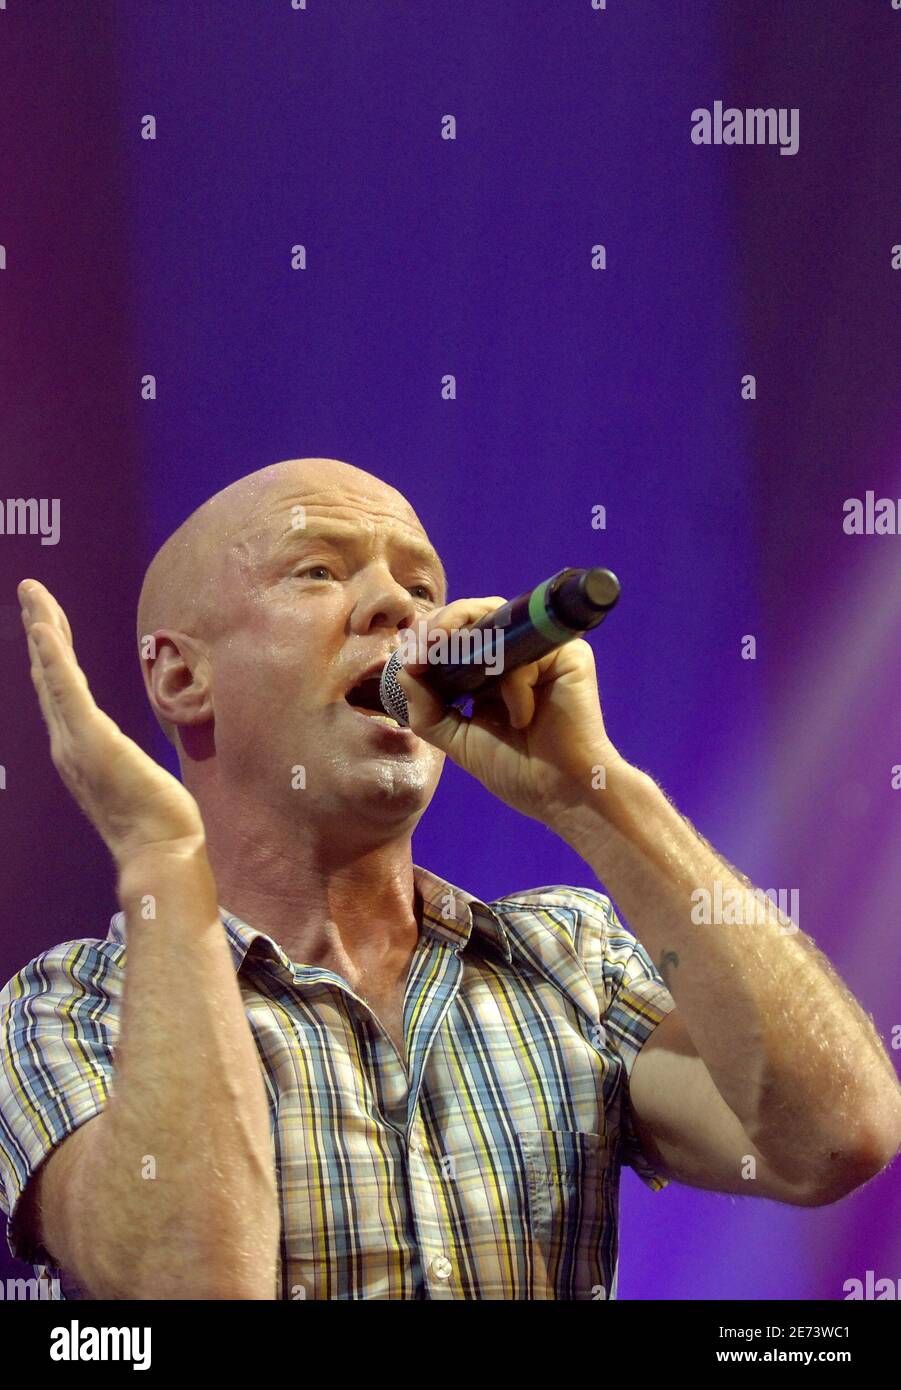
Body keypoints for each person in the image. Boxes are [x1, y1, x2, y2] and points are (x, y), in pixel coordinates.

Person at [1, 456, 899, 1301]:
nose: (397, 605)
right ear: (181, 675)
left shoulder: (563, 956)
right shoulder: (70, 1009)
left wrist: (591, 790)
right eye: (318, 571)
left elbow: (832, 1139)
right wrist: (163, 858)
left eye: (420, 585)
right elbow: (189, 1282)